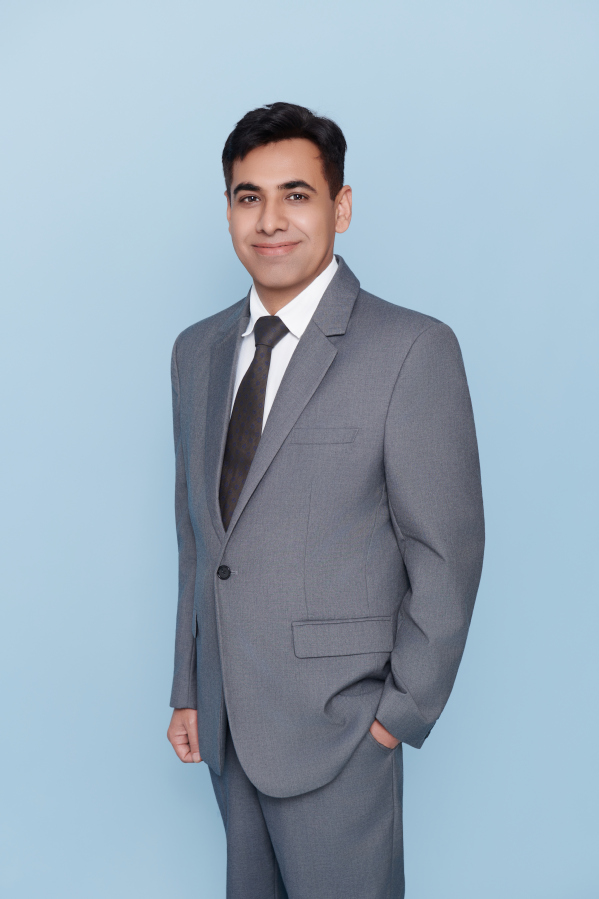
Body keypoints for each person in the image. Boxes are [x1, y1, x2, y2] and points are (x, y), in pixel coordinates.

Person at [166, 101, 485, 899]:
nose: (270, 220)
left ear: (340, 207)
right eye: (249, 197)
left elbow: (445, 552)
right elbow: (199, 539)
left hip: (341, 725)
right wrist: (189, 687)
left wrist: (397, 714)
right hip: (228, 720)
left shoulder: (410, 348)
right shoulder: (196, 351)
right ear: (229, 210)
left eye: (296, 195)